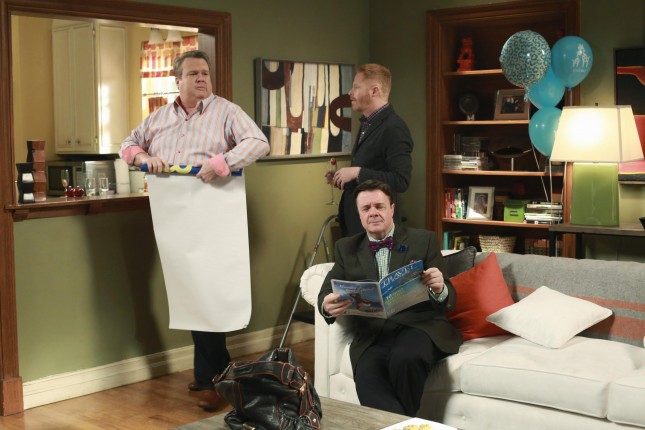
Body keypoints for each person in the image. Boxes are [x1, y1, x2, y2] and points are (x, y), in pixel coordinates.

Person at [119, 50, 269, 411]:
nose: (202, 78)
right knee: (189, 290)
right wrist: (143, 157)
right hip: (175, 218)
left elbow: (258, 143)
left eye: (205, 73)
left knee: (208, 291)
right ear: (177, 80)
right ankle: (211, 375)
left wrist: (222, 162)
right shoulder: (158, 118)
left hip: (214, 214)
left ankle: (217, 379)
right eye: (194, 74)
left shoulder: (226, 112)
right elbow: (127, 145)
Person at [317, 180, 462, 416]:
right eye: (366, 208)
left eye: (379, 206)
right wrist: (326, 305)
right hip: (372, 334)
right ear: (359, 214)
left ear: (392, 209)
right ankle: (406, 425)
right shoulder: (346, 247)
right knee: (367, 374)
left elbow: (449, 295)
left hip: (418, 327)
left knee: (406, 358)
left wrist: (439, 287)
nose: (373, 212)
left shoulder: (423, 240)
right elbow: (326, 292)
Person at [325, 64, 413, 237]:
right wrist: (344, 178)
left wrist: (357, 172)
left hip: (377, 229)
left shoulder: (394, 128)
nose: (350, 92)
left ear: (374, 91)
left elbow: (401, 180)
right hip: (356, 227)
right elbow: (373, 171)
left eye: (356, 87)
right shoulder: (367, 123)